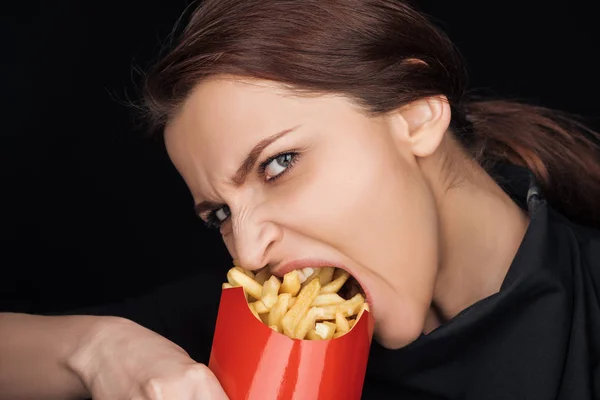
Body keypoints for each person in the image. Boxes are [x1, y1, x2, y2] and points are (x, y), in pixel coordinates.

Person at [1, 0, 599, 399]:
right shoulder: (242, 332)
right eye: (219, 215)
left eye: (278, 164)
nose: (249, 251)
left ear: (415, 113)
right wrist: (95, 348)